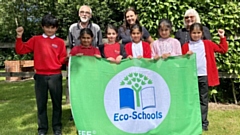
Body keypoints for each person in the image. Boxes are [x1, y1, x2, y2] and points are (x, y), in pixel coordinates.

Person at [15, 14, 66, 135]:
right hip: (40, 77)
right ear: (42, 27)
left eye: (53, 27)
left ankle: (57, 128)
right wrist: (19, 36)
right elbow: (20, 50)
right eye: (47, 27)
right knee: (41, 104)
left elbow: (63, 58)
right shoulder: (35, 39)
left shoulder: (60, 42)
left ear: (56, 28)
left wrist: (69, 59)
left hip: (55, 76)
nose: (50, 30)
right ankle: (42, 129)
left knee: (57, 103)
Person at [182, 23, 228, 131]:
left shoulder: (207, 44)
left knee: (203, 99)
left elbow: (223, 49)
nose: (196, 35)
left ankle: (203, 123)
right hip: (190, 77)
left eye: (198, 33)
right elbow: (180, 61)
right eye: (194, 33)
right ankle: (192, 121)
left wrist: (222, 37)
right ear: (190, 33)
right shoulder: (185, 46)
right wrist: (185, 56)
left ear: (202, 33)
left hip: (203, 76)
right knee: (191, 100)